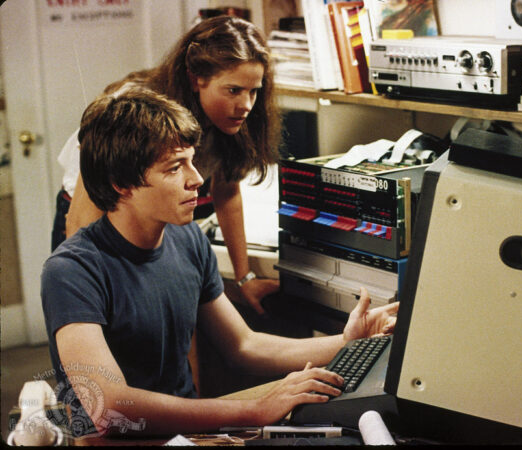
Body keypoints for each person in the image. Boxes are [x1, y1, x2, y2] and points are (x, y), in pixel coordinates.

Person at [41, 89, 399, 438]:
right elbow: (109, 407)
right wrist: (256, 408)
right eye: (174, 168)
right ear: (122, 184)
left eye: (192, 161)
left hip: (185, 436)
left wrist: (348, 341)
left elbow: (244, 346)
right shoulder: (72, 271)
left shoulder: (188, 240)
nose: (196, 178)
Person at [52, 15, 280, 314]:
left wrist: (243, 278)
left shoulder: (230, 119)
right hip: (96, 220)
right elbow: (81, 220)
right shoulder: (133, 108)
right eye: (234, 90)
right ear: (197, 79)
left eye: (254, 91)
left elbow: (227, 194)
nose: (247, 105)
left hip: (152, 223)